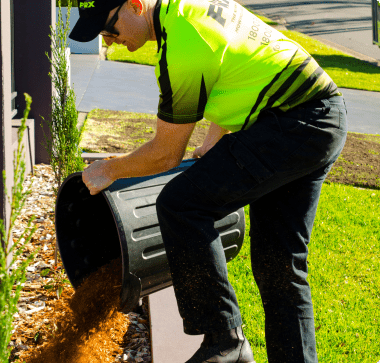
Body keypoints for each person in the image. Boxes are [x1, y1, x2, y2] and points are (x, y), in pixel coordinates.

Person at [70, 0, 347, 362]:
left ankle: (225, 340)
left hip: (290, 124)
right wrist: (214, 137)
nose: (108, 42)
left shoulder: (183, 45)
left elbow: (165, 154)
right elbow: (241, 63)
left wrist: (109, 168)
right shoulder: (189, 8)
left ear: (135, 5)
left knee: (182, 204)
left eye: (109, 29)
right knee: (279, 265)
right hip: (321, 116)